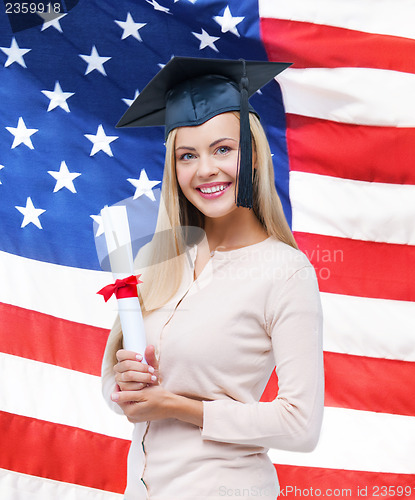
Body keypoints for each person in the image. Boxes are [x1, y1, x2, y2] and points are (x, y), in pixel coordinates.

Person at [101, 57, 324, 500]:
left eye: (223, 149)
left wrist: (180, 408)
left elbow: (302, 425)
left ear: (254, 155)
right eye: (188, 155)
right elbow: (114, 387)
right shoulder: (158, 261)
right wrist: (122, 385)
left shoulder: (284, 272)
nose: (205, 170)